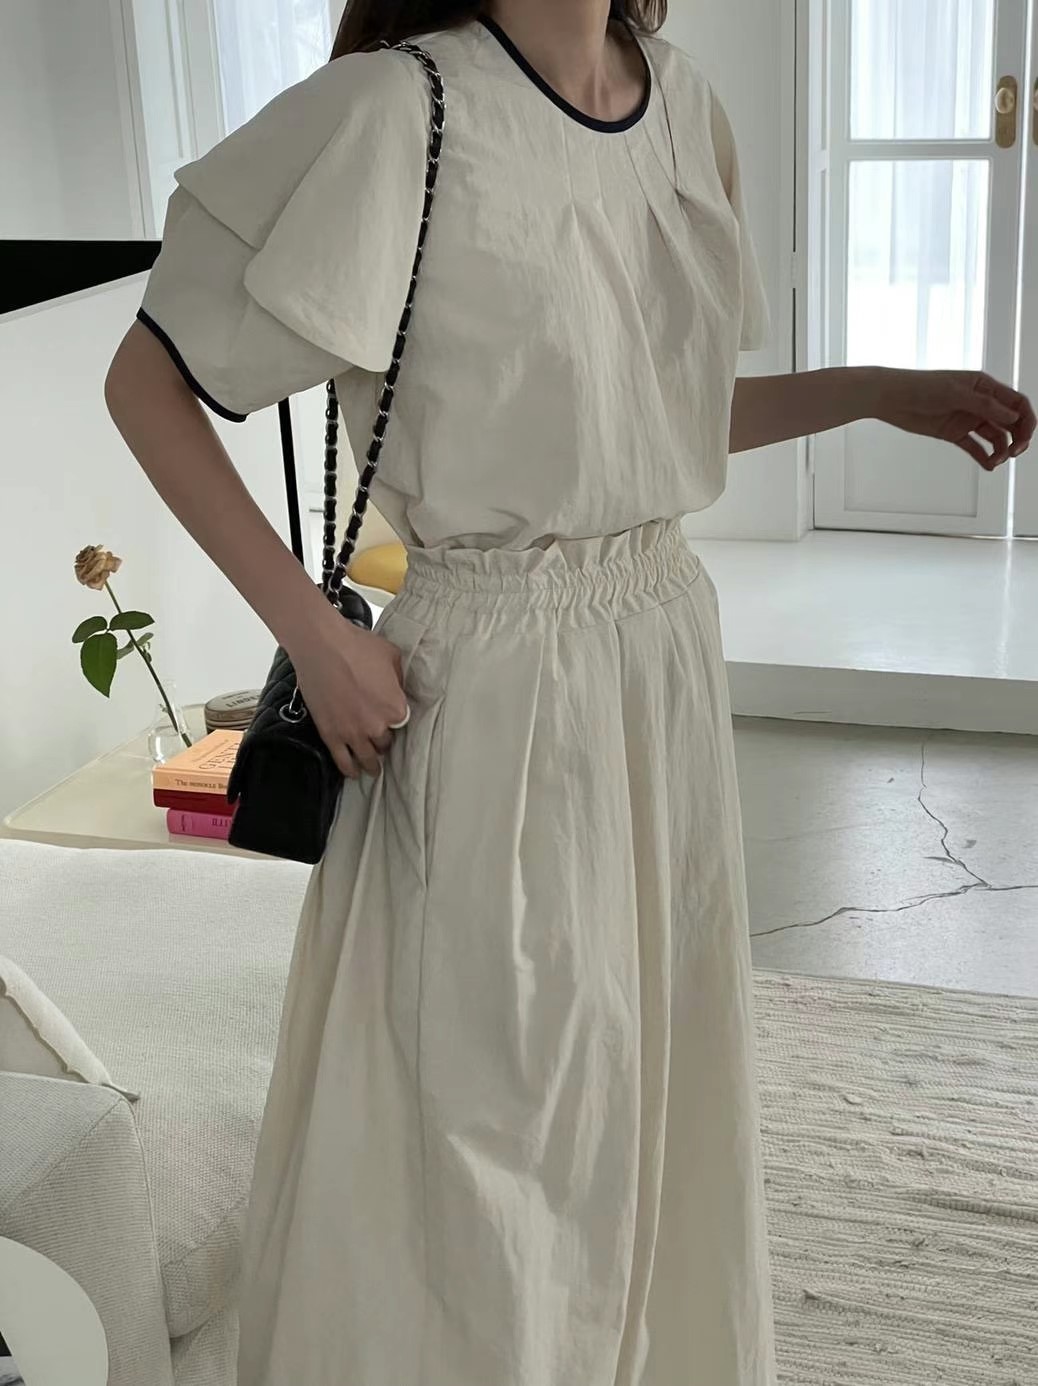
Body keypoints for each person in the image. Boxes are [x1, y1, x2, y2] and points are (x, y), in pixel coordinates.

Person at [104, 2, 1035, 1382]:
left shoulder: (683, 106)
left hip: (656, 659)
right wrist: (310, 631)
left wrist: (871, 389)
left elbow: (647, 416)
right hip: (492, 684)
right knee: (489, 1133)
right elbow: (146, 383)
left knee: (650, 1090)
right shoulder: (396, 112)